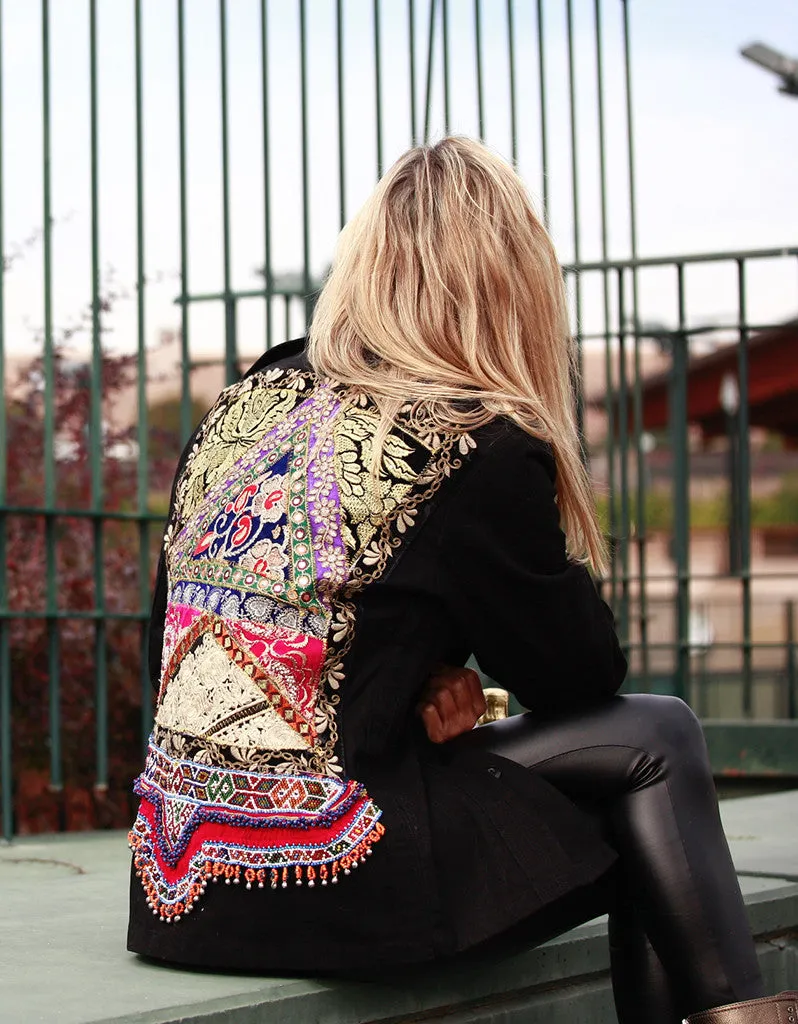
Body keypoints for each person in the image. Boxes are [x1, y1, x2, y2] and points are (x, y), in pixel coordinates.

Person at [127, 137, 794, 1024]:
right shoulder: (471, 439)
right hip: (329, 877)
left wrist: (412, 686)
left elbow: (177, 651)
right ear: (512, 282)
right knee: (658, 741)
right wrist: (450, 683)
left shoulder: (249, 403)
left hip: (175, 884)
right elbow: (583, 677)